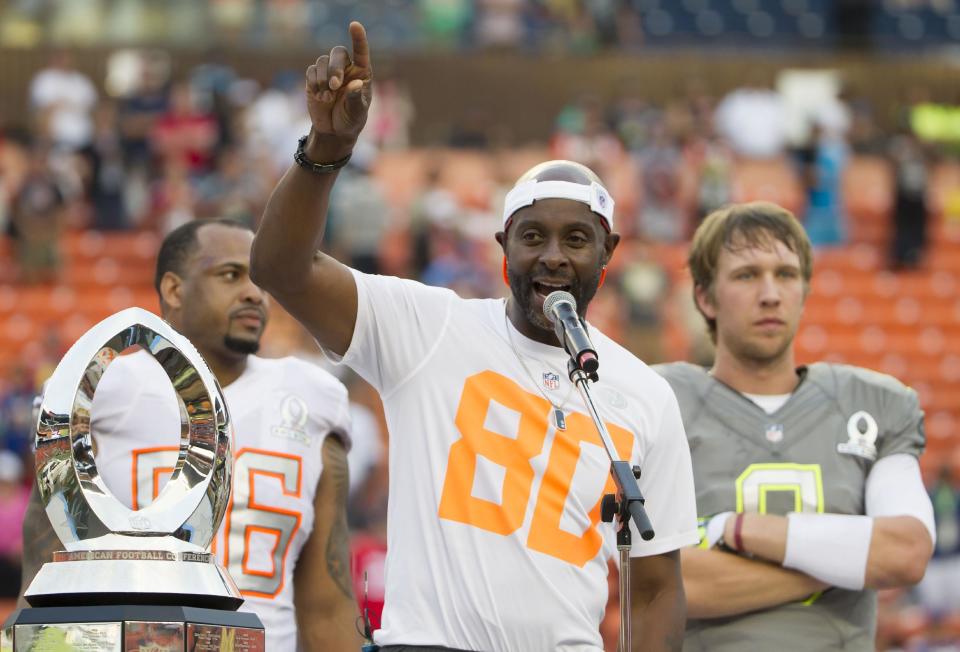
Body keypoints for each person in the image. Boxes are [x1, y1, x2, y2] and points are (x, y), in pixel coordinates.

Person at [250, 22, 698, 652]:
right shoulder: (428, 327)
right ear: (502, 249)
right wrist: (325, 149)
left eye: (576, 239)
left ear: (608, 253)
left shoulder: (644, 394)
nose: (553, 258)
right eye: (532, 236)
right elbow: (279, 268)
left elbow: (654, 587)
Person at [19, 218, 361, 651]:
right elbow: (44, 572)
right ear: (174, 290)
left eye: (260, 280)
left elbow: (327, 602)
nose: (254, 293)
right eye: (230, 275)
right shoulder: (102, 387)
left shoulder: (314, 395)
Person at [654, 202, 936, 650]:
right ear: (705, 297)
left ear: (804, 290)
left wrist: (738, 529)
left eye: (785, 274)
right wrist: (846, 562)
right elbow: (667, 585)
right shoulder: (659, 402)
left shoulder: (875, 405)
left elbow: (905, 552)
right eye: (747, 275)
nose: (770, 293)